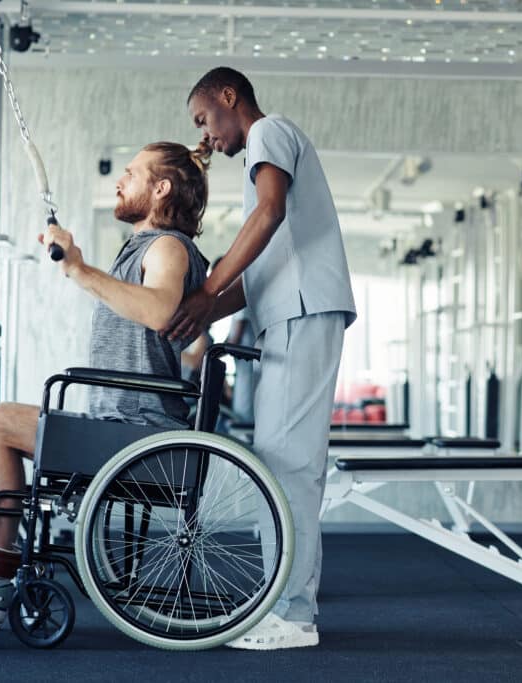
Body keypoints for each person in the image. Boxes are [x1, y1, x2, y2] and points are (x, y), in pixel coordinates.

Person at [0, 141, 211, 621]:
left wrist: (77, 267)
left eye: (132, 174)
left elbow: (157, 309)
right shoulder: (144, 247)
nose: (120, 180)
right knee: (1, 423)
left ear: (161, 189)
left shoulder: (168, 247)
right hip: (121, 425)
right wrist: (80, 264)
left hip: (136, 433)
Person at [166, 66, 357, 650]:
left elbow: (268, 216)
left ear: (230, 97)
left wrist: (204, 291)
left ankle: (294, 616)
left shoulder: (270, 131)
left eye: (204, 119)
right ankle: (284, 603)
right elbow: (260, 271)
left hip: (304, 313)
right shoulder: (262, 161)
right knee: (277, 460)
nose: (208, 136)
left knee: (291, 464)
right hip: (291, 312)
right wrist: (205, 311)